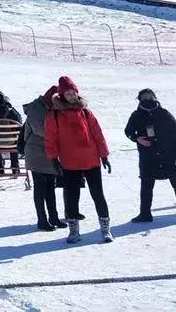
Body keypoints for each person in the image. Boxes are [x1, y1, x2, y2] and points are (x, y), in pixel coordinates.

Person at [45, 75, 112, 243]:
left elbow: (98, 134)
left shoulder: (86, 112)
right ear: (61, 95)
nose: (71, 95)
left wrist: (104, 155)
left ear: (77, 93)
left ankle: (105, 230)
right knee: (71, 197)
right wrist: (54, 159)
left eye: (73, 92)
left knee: (98, 195)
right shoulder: (54, 115)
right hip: (69, 163)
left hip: (92, 160)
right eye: (67, 93)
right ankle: (74, 231)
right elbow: (50, 138)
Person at [124, 88, 176, 223]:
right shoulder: (136, 115)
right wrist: (137, 139)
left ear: (155, 98)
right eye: (144, 97)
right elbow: (128, 131)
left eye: (149, 96)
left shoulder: (164, 114)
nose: (147, 99)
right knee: (146, 186)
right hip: (148, 157)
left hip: (169, 156)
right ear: (139, 100)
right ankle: (145, 214)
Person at [21, 86, 67, 230]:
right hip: (36, 152)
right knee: (40, 187)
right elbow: (40, 129)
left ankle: (53, 217)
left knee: (50, 187)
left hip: (49, 152)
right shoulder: (37, 108)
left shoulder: (53, 108)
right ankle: (42, 220)